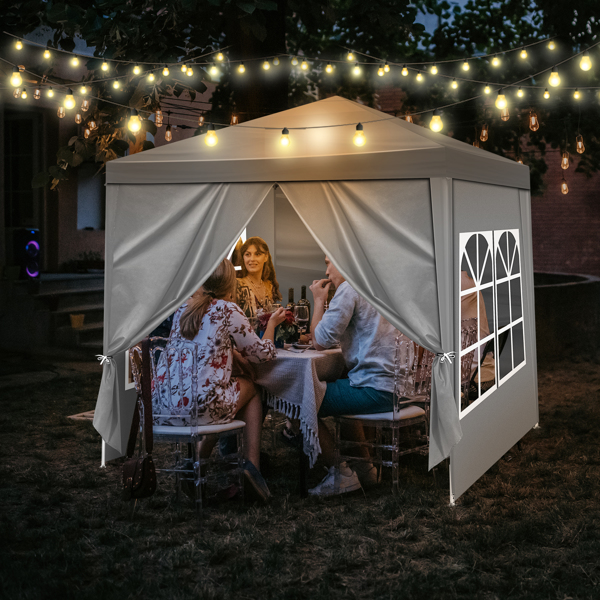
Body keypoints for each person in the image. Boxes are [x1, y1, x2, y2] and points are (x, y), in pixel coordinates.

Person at [154, 259, 287, 501]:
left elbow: (200, 346)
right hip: (200, 407)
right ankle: (252, 470)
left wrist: (233, 354)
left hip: (165, 406)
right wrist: (272, 325)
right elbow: (261, 355)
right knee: (251, 389)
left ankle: (197, 466)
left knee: (219, 393)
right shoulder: (228, 310)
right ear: (230, 283)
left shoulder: (183, 308)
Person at [308, 257, 402, 497]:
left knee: (302, 398)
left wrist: (318, 300)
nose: (326, 271)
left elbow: (319, 341)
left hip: (377, 389)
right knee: (345, 381)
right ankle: (365, 469)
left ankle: (340, 473)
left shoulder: (350, 287)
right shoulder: (386, 284)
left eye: (328, 262)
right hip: (404, 389)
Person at [236, 237, 282, 319]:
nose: (252, 259)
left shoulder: (269, 286)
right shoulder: (237, 285)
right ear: (243, 257)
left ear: (266, 257)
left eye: (257, 254)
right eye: (247, 254)